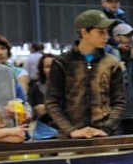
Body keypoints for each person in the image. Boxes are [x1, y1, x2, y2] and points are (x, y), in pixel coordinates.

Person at [45, 10, 126, 139]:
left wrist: (106, 128)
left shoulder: (111, 63)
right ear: (84, 32)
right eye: (101, 32)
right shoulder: (62, 62)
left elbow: (119, 102)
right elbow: (52, 102)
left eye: (106, 31)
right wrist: (70, 130)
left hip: (104, 138)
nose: (106, 36)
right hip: (70, 140)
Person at [27, 52, 58, 140]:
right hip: (45, 133)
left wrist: (48, 108)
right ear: (42, 69)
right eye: (47, 66)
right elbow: (34, 110)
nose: (51, 69)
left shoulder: (70, 85)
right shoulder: (37, 87)